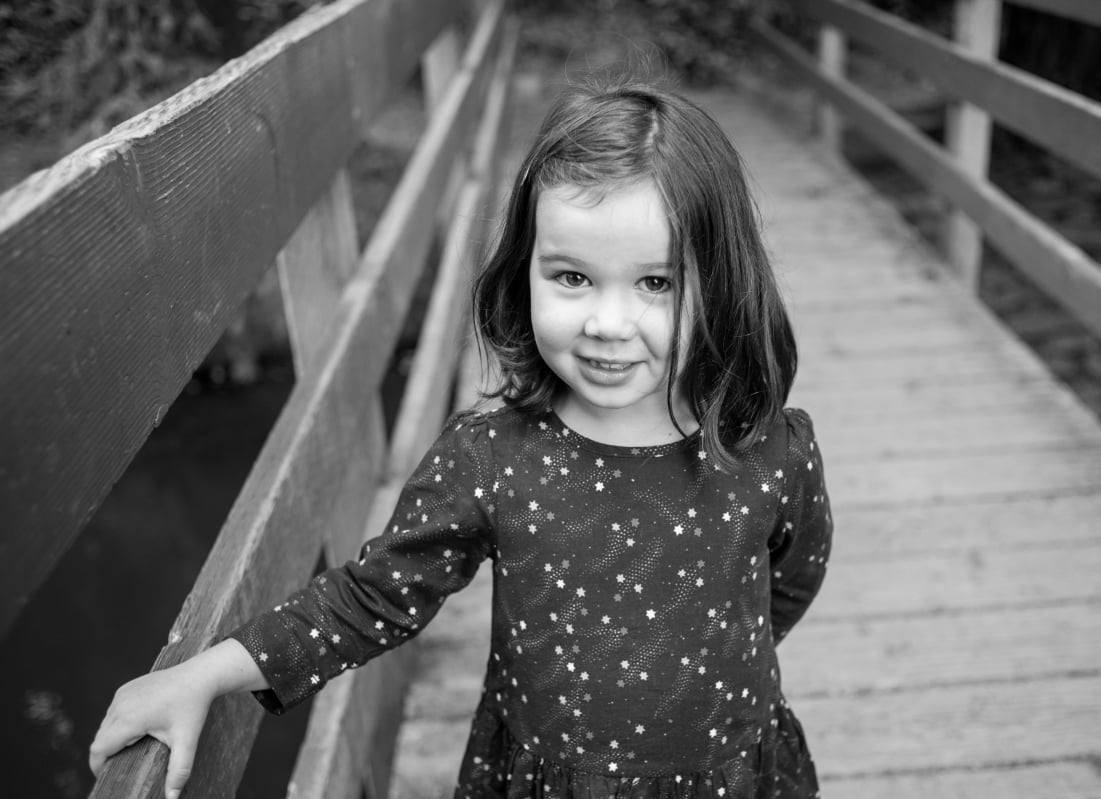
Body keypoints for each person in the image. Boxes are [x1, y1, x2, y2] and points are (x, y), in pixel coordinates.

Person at [89, 78, 834, 799]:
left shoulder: (767, 451)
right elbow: (372, 596)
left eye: (657, 283)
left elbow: (789, 580)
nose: (608, 323)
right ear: (525, 272)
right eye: (572, 277)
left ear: (725, 281)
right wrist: (207, 672)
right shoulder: (492, 457)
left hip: (733, 773)